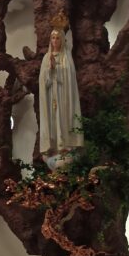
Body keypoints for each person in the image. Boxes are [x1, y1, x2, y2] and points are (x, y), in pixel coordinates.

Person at [38, 25, 84, 167]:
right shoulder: (46, 58)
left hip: (64, 96)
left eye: (58, 38)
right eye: (53, 38)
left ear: (62, 40)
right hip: (51, 95)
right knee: (53, 120)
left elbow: (70, 78)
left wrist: (57, 70)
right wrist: (50, 69)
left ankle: (66, 146)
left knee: (64, 119)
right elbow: (42, 81)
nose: (55, 41)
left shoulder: (66, 57)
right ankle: (54, 147)